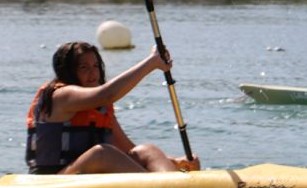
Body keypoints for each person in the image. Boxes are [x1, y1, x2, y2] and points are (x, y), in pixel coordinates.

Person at [26, 41, 200, 174]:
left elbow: (127, 149)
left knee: (147, 150)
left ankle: (176, 186)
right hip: (54, 179)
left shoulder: (100, 107)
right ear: (68, 71)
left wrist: (175, 161)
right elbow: (106, 94)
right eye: (83, 67)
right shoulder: (61, 96)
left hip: (87, 176)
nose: (92, 72)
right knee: (102, 153)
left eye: (95, 66)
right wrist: (151, 63)